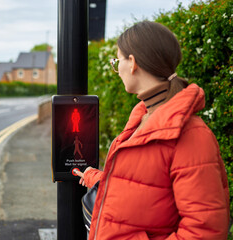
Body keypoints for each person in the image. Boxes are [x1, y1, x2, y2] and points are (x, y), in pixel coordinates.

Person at [75, 21, 230, 240]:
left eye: (117, 60)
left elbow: (204, 231)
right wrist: (96, 178)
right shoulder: (144, 119)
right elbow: (143, 184)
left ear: (133, 63)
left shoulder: (191, 135)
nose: (116, 69)